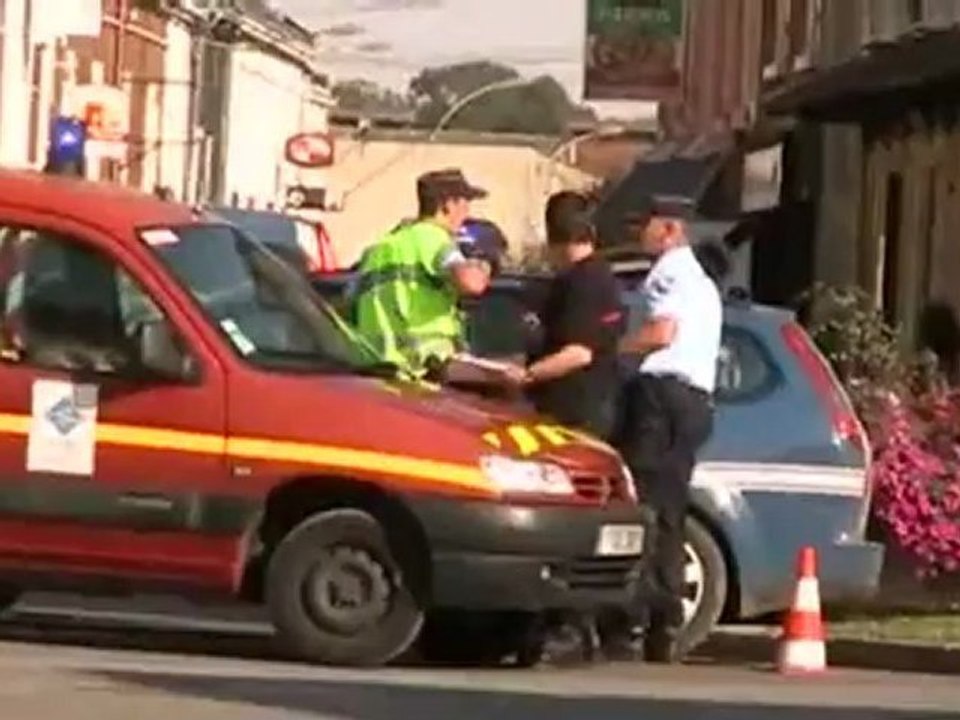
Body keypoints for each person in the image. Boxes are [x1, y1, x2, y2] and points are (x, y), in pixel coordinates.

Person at [614, 195, 722, 663]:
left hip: (663, 396)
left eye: (647, 223)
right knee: (669, 511)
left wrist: (614, 351)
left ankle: (641, 618)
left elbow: (661, 333)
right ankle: (664, 624)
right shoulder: (698, 279)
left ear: (671, 229)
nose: (640, 231)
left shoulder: (670, 273)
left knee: (647, 509)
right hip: (693, 400)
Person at [499, 190, 623, 439]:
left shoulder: (582, 282)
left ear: (553, 236)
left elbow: (578, 353)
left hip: (573, 416)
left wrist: (527, 375)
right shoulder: (601, 275)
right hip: (592, 406)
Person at [353, 168, 493, 379]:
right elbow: (472, 283)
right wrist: (484, 264)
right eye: (465, 202)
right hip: (425, 372)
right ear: (447, 204)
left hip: (378, 374)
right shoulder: (433, 238)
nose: (467, 212)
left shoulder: (380, 249)